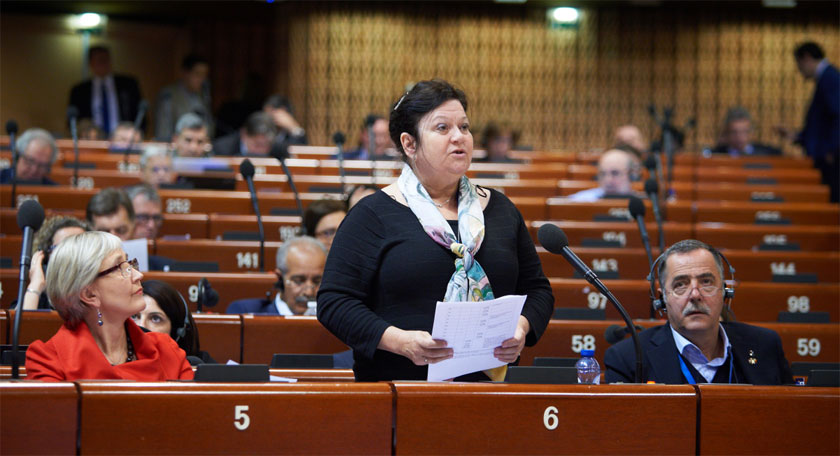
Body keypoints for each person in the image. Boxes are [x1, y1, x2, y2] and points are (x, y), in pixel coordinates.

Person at [317, 79, 554, 382]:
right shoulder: (372, 214)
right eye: (443, 128)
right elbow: (334, 303)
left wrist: (521, 328)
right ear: (409, 143)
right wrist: (399, 342)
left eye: (464, 127)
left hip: (492, 391)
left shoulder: (502, 210)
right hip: (400, 387)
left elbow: (538, 290)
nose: (459, 137)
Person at [604, 239, 794, 385]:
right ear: (663, 299)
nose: (695, 294)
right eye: (680, 285)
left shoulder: (765, 345)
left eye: (706, 282)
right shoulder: (627, 358)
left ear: (725, 292)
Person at [24, 231, 193, 381]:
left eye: (129, 264)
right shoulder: (48, 361)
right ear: (89, 295)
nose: (138, 275)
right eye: (120, 267)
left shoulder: (166, 350)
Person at [776, 42, 839, 203]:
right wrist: (797, 136)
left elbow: (838, 116)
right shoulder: (826, 78)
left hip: (830, 160)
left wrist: (832, 150)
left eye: (799, 64)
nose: (799, 70)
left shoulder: (830, 78)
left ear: (807, 58)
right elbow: (822, 125)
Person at [226, 236, 327, 316]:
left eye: (317, 281)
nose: (309, 292)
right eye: (298, 281)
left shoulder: (332, 322)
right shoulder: (246, 313)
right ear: (280, 278)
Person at [16, 216, 90, 310]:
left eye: (80, 246)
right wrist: (36, 285)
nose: (73, 255)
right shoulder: (39, 297)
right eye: (63, 247)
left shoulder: (101, 290)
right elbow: (21, 323)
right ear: (47, 257)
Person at [68, 45, 143, 137]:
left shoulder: (128, 85)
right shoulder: (79, 90)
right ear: (90, 63)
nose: (103, 63)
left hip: (123, 140)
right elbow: (73, 121)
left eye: (105, 59)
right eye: (99, 60)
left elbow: (140, 115)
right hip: (92, 142)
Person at [134, 280, 215, 364]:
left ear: (176, 331)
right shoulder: (120, 361)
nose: (141, 325)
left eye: (155, 318)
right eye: (134, 316)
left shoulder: (198, 363)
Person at [155, 54, 213, 141]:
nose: (201, 79)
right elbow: (163, 130)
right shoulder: (169, 95)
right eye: (197, 74)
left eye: (204, 75)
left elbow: (209, 125)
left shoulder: (204, 95)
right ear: (185, 73)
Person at [566, 148, 639, 201]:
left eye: (615, 173)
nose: (608, 180)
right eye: (603, 174)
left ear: (631, 176)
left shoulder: (644, 203)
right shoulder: (581, 200)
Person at [711, 107, 781, 157]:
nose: (739, 137)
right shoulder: (716, 154)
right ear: (727, 133)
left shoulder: (768, 153)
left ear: (751, 132)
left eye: (744, 132)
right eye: (734, 132)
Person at [212, 111, 277, 156]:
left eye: (266, 145)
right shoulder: (221, 150)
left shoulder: (278, 150)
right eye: (258, 144)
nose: (261, 151)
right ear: (244, 135)